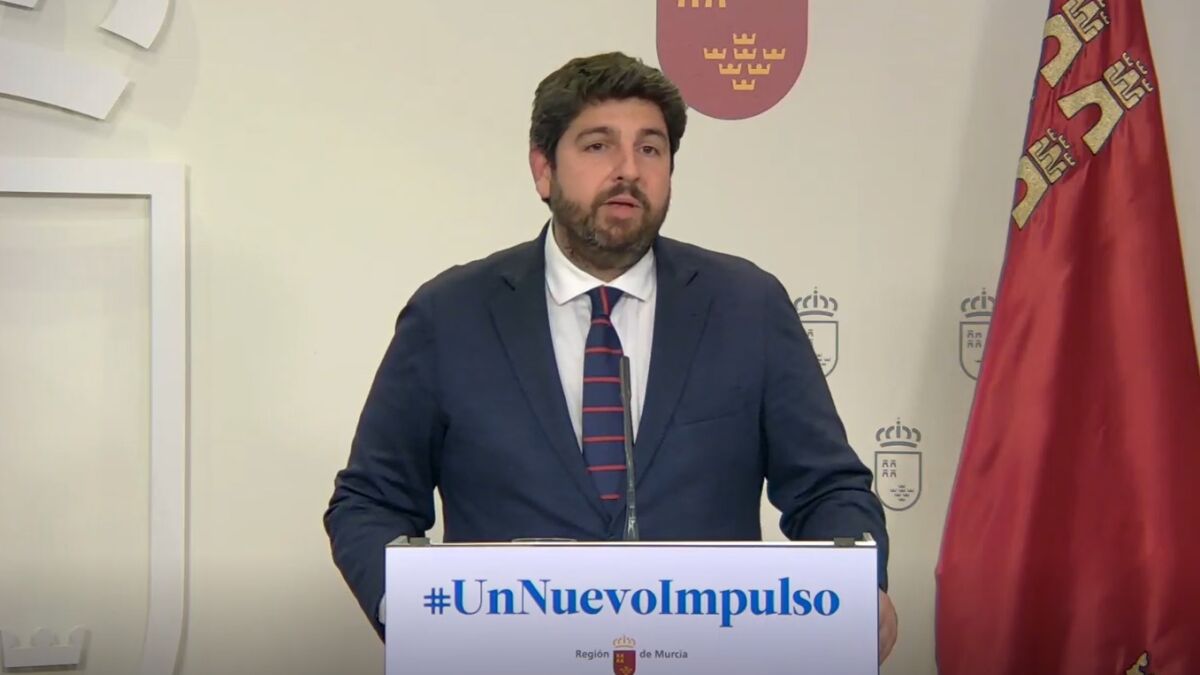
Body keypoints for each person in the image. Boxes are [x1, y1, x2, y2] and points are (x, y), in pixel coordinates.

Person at [324, 52, 898, 661]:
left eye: (650, 149)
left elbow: (827, 488)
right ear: (543, 170)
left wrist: (856, 586)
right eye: (598, 146)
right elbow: (371, 502)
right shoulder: (451, 315)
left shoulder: (746, 306)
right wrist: (413, 613)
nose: (628, 170)